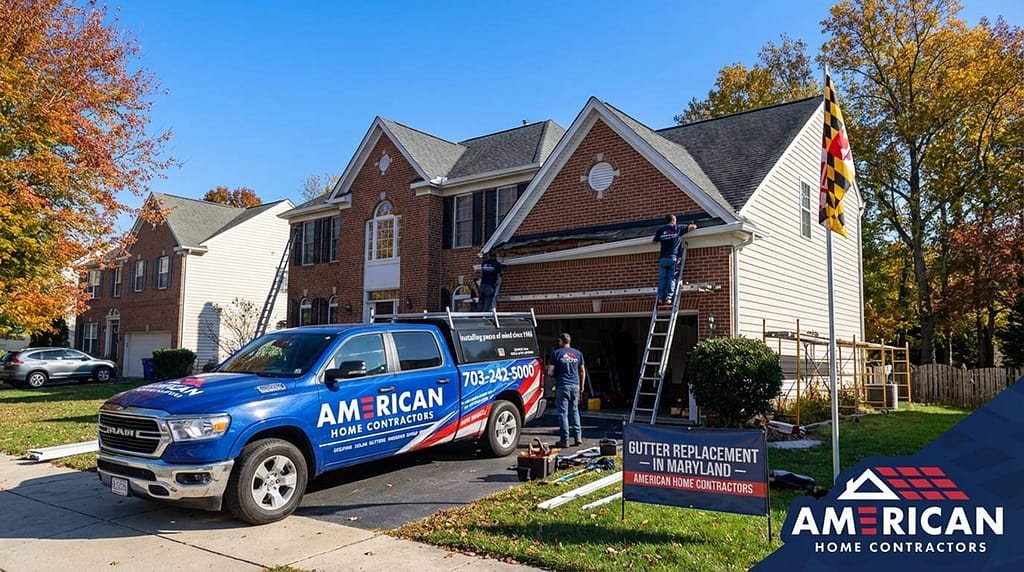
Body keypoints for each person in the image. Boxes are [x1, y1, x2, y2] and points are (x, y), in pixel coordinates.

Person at [546, 332, 587, 448]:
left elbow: (550, 371)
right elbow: (582, 371)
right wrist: (582, 385)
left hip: (562, 386)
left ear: (561, 341)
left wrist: (549, 372)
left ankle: (565, 440)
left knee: (563, 413)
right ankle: (578, 437)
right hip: (575, 385)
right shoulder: (578, 354)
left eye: (559, 341)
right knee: (574, 410)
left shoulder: (556, 353)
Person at [652, 214, 697, 305]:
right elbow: (694, 227)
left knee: (662, 279)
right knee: (671, 278)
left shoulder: (661, 230)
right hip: (673, 258)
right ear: (673, 221)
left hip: (663, 258)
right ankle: (668, 297)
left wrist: (664, 238)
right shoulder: (677, 228)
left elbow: (654, 242)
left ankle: (660, 298)